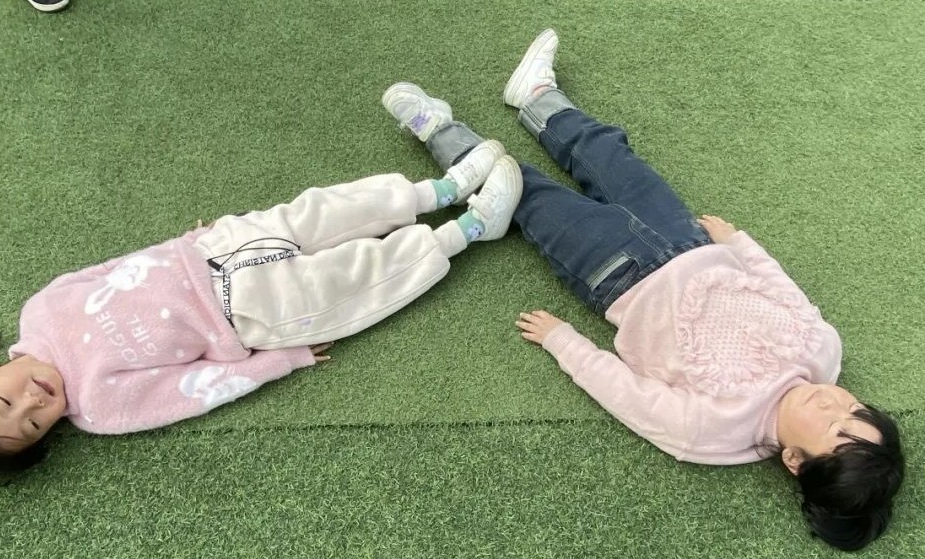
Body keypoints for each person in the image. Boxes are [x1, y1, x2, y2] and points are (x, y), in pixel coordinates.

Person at [381, 29, 904, 551]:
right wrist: (739, 243)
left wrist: (564, 342)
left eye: (834, 429)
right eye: (854, 410)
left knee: (525, 196)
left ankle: (439, 131)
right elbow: (782, 289)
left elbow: (627, 395)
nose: (834, 404)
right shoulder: (823, 352)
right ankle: (538, 99)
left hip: (617, 272)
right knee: (610, 156)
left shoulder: (715, 430)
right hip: (687, 238)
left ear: (794, 459)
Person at [0, 141, 523, 474]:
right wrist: (279, 361)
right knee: (356, 280)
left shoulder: (39, 312)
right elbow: (195, 389)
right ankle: (468, 229)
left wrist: (184, 242)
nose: (33, 405)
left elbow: (113, 268)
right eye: (32, 427)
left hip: (212, 251)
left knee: (322, 210)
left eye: (6, 401)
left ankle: (439, 189)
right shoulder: (98, 408)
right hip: (248, 316)